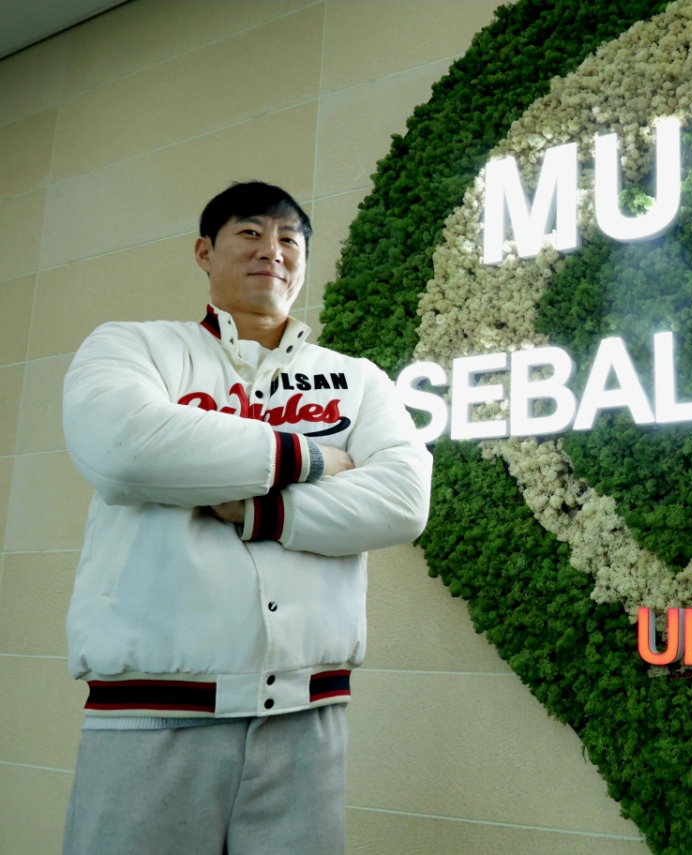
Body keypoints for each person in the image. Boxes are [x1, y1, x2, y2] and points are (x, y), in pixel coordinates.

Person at [59, 181, 433, 855]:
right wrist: (311, 457)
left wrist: (262, 507)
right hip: (152, 716)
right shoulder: (135, 346)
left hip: (308, 720)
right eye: (251, 233)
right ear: (205, 251)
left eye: (291, 238)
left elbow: (403, 500)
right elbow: (123, 450)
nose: (274, 250)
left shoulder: (357, 379)